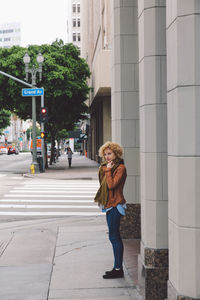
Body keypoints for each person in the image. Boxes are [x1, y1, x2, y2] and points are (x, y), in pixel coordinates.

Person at [94, 141, 127, 279]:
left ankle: (118, 269)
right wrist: (106, 169)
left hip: (116, 205)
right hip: (109, 206)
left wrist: (107, 170)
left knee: (114, 237)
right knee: (113, 236)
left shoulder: (120, 168)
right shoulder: (105, 167)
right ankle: (116, 267)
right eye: (105, 154)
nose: (107, 157)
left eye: (110, 154)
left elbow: (112, 185)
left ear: (116, 153)